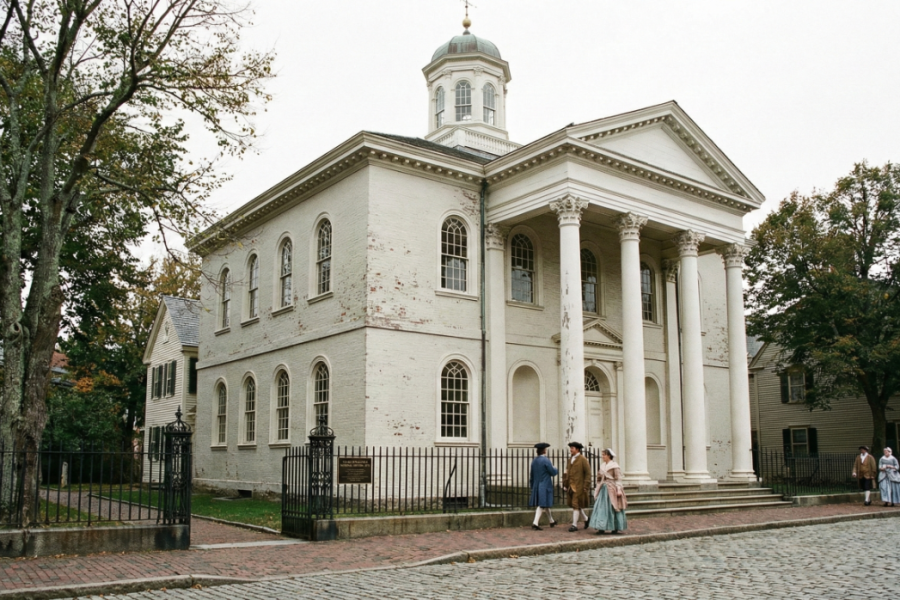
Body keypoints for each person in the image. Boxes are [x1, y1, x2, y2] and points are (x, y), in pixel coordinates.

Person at [588, 448, 628, 535]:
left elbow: (618, 478)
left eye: (604, 455)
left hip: (612, 489)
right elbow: (598, 478)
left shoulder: (615, 466)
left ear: (609, 455)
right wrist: (598, 487)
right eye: (602, 455)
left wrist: (618, 489)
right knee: (601, 508)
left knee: (613, 507)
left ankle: (615, 527)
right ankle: (601, 527)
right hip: (603, 489)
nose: (602, 456)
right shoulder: (602, 466)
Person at [562, 441, 591, 532]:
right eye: (570, 448)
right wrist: (565, 484)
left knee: (575, 505)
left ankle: (574, 525)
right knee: (576, 505)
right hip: (571, 486)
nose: (570, 450)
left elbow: (588, 474)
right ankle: (586, 519)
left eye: (572, 448)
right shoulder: (570, 459)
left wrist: (586, 485)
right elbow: (567, 472)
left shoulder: (583, 459)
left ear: (577, 449)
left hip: (579, 486)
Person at [529, 442, 558, 530]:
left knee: (546, 505)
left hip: (536, 485)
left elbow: (532, 475)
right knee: (542, 504)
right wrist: (556, 469)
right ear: (544, 451)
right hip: (544, 485)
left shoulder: (534, 461)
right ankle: (535, 522)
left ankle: (551, 521)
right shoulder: (545, 460)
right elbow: (553, 472)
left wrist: (532, 485)